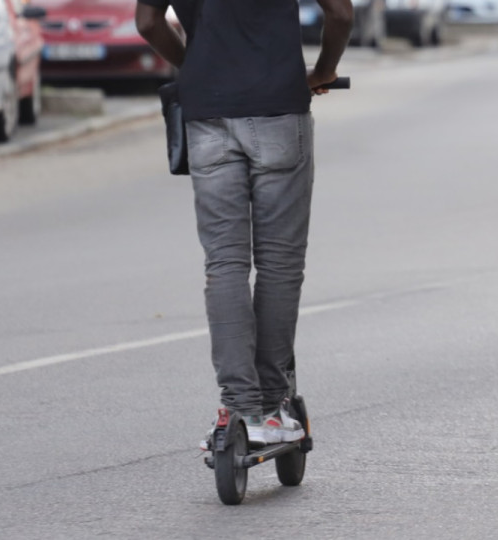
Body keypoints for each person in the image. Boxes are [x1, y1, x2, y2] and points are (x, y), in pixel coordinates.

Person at [135, 0, 353, 445]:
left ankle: (239, 408)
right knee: (279, 264)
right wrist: (323, 70)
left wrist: (194, 63)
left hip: (205, 114)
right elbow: (341, 13)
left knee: (224, 263)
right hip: (277, 108)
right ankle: (272, 406)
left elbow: (148, 21)